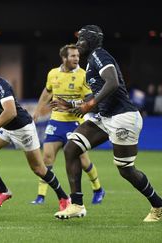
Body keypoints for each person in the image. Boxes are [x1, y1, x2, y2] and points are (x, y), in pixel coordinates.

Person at [52, 25, 162, 222]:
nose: (78, 44)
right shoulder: (91, 61)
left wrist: (90, 104)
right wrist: (74, 104)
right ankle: (76, 205)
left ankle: (158, 205)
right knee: (71, 149)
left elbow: (113, 82)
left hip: (123, 117)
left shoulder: (99, 54)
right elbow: (99, 96)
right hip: (106, 117)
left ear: (91, 41)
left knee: (126, 170)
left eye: (81, 40)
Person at [0, 56, 70, 210]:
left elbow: (11, 112)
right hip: (3, 128)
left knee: (39, 169)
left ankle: (63, 197)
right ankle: (3, 191)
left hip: (22, 128)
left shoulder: (1, 86)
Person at [31, 44, 105, 205]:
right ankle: (40, 196)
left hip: (75, 123)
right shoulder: (53, 74)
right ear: (64, 58)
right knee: (47, 158)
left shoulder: (83, 75)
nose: (76, 58)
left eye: (78, 56)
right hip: (56, 121)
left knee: (84, 162)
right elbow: (47, 91)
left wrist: (76, 106)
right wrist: (38, 109)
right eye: (72, 56)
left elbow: (89, 99)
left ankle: (98, 189)